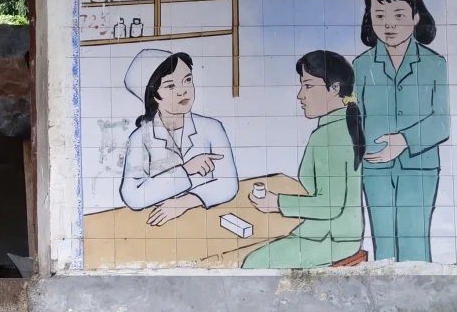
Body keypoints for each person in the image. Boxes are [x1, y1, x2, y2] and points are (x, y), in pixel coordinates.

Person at [352, 0, 449, 262]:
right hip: (374, 167)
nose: (389, 25)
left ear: (416, 17)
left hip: (419, 167)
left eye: (399, 15)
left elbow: (441, 123)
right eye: (380, 16)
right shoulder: (361, 65)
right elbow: (355, 118)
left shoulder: (434, 63)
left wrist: (403, 141)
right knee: (383, 243)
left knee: (414, 241)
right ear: (370, 20)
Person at [242, 51, 365, 269]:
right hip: (331, 234)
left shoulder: (331, 135)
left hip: (331, 240)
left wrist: (277, 203)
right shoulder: (339, 126)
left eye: (308, 86)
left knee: (252, 263)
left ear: (334, 88)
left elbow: (330, 205)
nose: (300, 95)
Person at [120, 49, 238, 226]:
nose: (183, 91)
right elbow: (132, 196)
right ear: (153, 95)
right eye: (170, 86)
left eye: (187, 80)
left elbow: (229, 185)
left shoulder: (212, 128)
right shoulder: (140, 138)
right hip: (158, 224)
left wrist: (183, 203)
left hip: (207, 220)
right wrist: (186, 170)